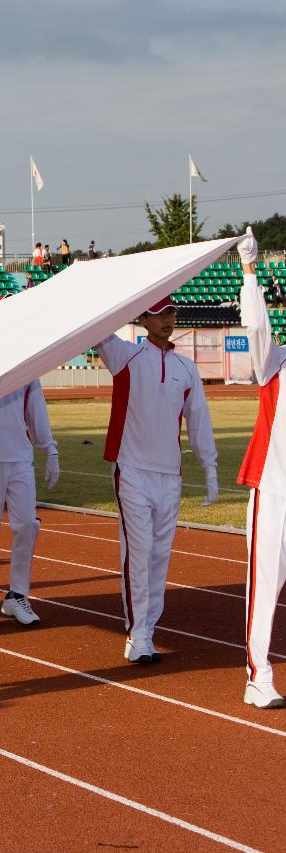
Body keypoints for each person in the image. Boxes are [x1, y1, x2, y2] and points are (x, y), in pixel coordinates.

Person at [95, 295, 217, 664]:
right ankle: (138, 634)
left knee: (160, 556)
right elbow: (98, 328)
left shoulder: (186, 367)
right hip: (132, 470)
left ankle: (148, 628)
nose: (167, 319)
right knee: (139, 552)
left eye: (172, 312)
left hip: (170, 475)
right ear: (144, 319)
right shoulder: (125, 356)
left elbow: (199, 419)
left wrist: (209, 467)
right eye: (159, 313)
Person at [233, 228, 286, 708]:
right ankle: (258, 675)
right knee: (266, 584)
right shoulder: (275, 363)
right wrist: (250, 271)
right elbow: (257, 330)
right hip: (274, 491)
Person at [0, 367, 59, 627]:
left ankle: (17, 595)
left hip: (20, 457)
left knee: (27, 524)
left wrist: (49, 449)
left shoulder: (27, 366)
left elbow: (36, 410)